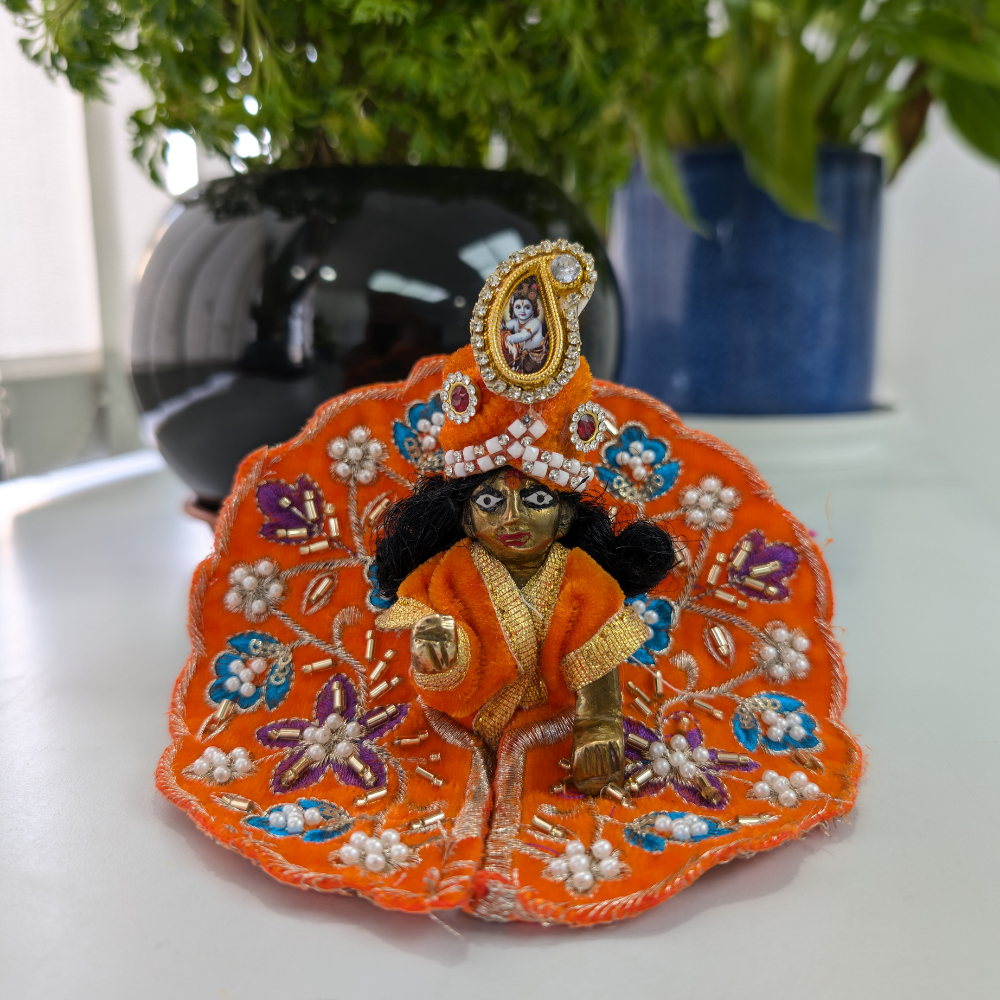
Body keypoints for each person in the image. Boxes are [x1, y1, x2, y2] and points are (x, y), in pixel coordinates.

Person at [502, 278, 548, 374]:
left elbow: (523, 336)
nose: (522, 311)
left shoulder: (535, 322)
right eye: (518, 307)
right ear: (513, 309)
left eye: (527, 307)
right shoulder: (515, 322)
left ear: (533, 309)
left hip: (535, 360)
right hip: (521, 358)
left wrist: (509, 338)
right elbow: (503, 327)